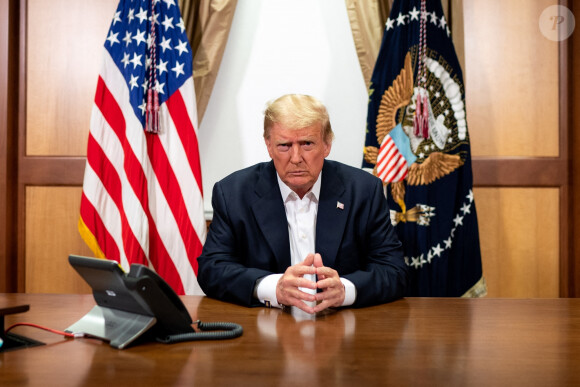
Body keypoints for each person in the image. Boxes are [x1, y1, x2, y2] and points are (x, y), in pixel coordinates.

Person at [197, 94, 407, 314]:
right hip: (266, 332)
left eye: (307, 144)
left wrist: (345, 290)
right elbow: (212, 270)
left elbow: (393, 271)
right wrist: (272, 287)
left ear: (327, 144)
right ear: (268, 145)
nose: (296, 158)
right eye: (284, 145)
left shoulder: (363, 191)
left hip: (341, 330)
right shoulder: (234, 193)